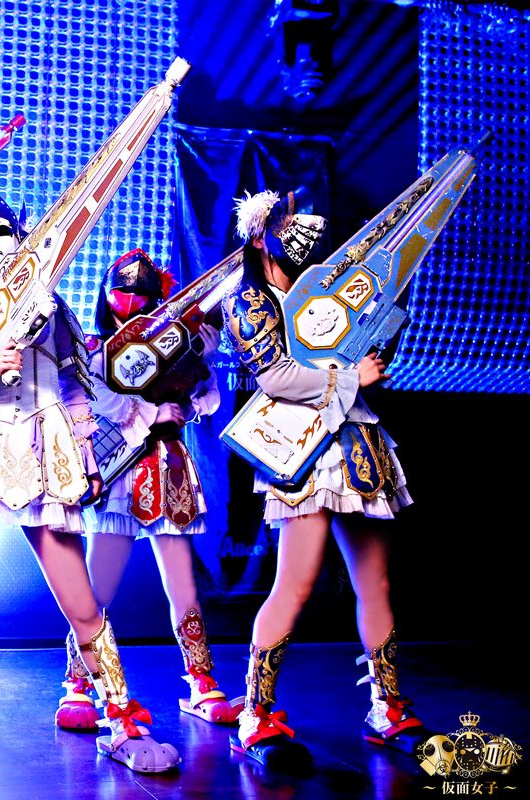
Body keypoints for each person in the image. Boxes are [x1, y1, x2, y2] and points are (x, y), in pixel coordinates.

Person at [0, 190, 181, 774]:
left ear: (20, 242)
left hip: (46, 464)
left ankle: (119, 720)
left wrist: (91, 461)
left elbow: (77, 391)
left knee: (83, 604)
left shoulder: (54, 311)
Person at [222, 190, 428, 772]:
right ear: (260, 235)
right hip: (302, 446)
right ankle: (255, 716)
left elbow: (366, 347)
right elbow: (275, 375)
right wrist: (351, 377)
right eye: (286, 223)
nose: (300, 232)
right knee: (294, 585)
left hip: (357, 441)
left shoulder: (327, 289)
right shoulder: (248, 298)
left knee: (376, 583)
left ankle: (387, 707)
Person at [56, 249, 242, 734]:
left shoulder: (180, 337)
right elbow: (92, 398)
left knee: (184, 587)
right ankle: (78, 682)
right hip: (121, 469)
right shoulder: (94, 348)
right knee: (96, 588)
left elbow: (204, 401)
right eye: (122, 289)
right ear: (106, 293)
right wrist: (149, 412)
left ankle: (201, 680)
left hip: (170, 467)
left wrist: (202, 359)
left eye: (141, 291)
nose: (131, 298)